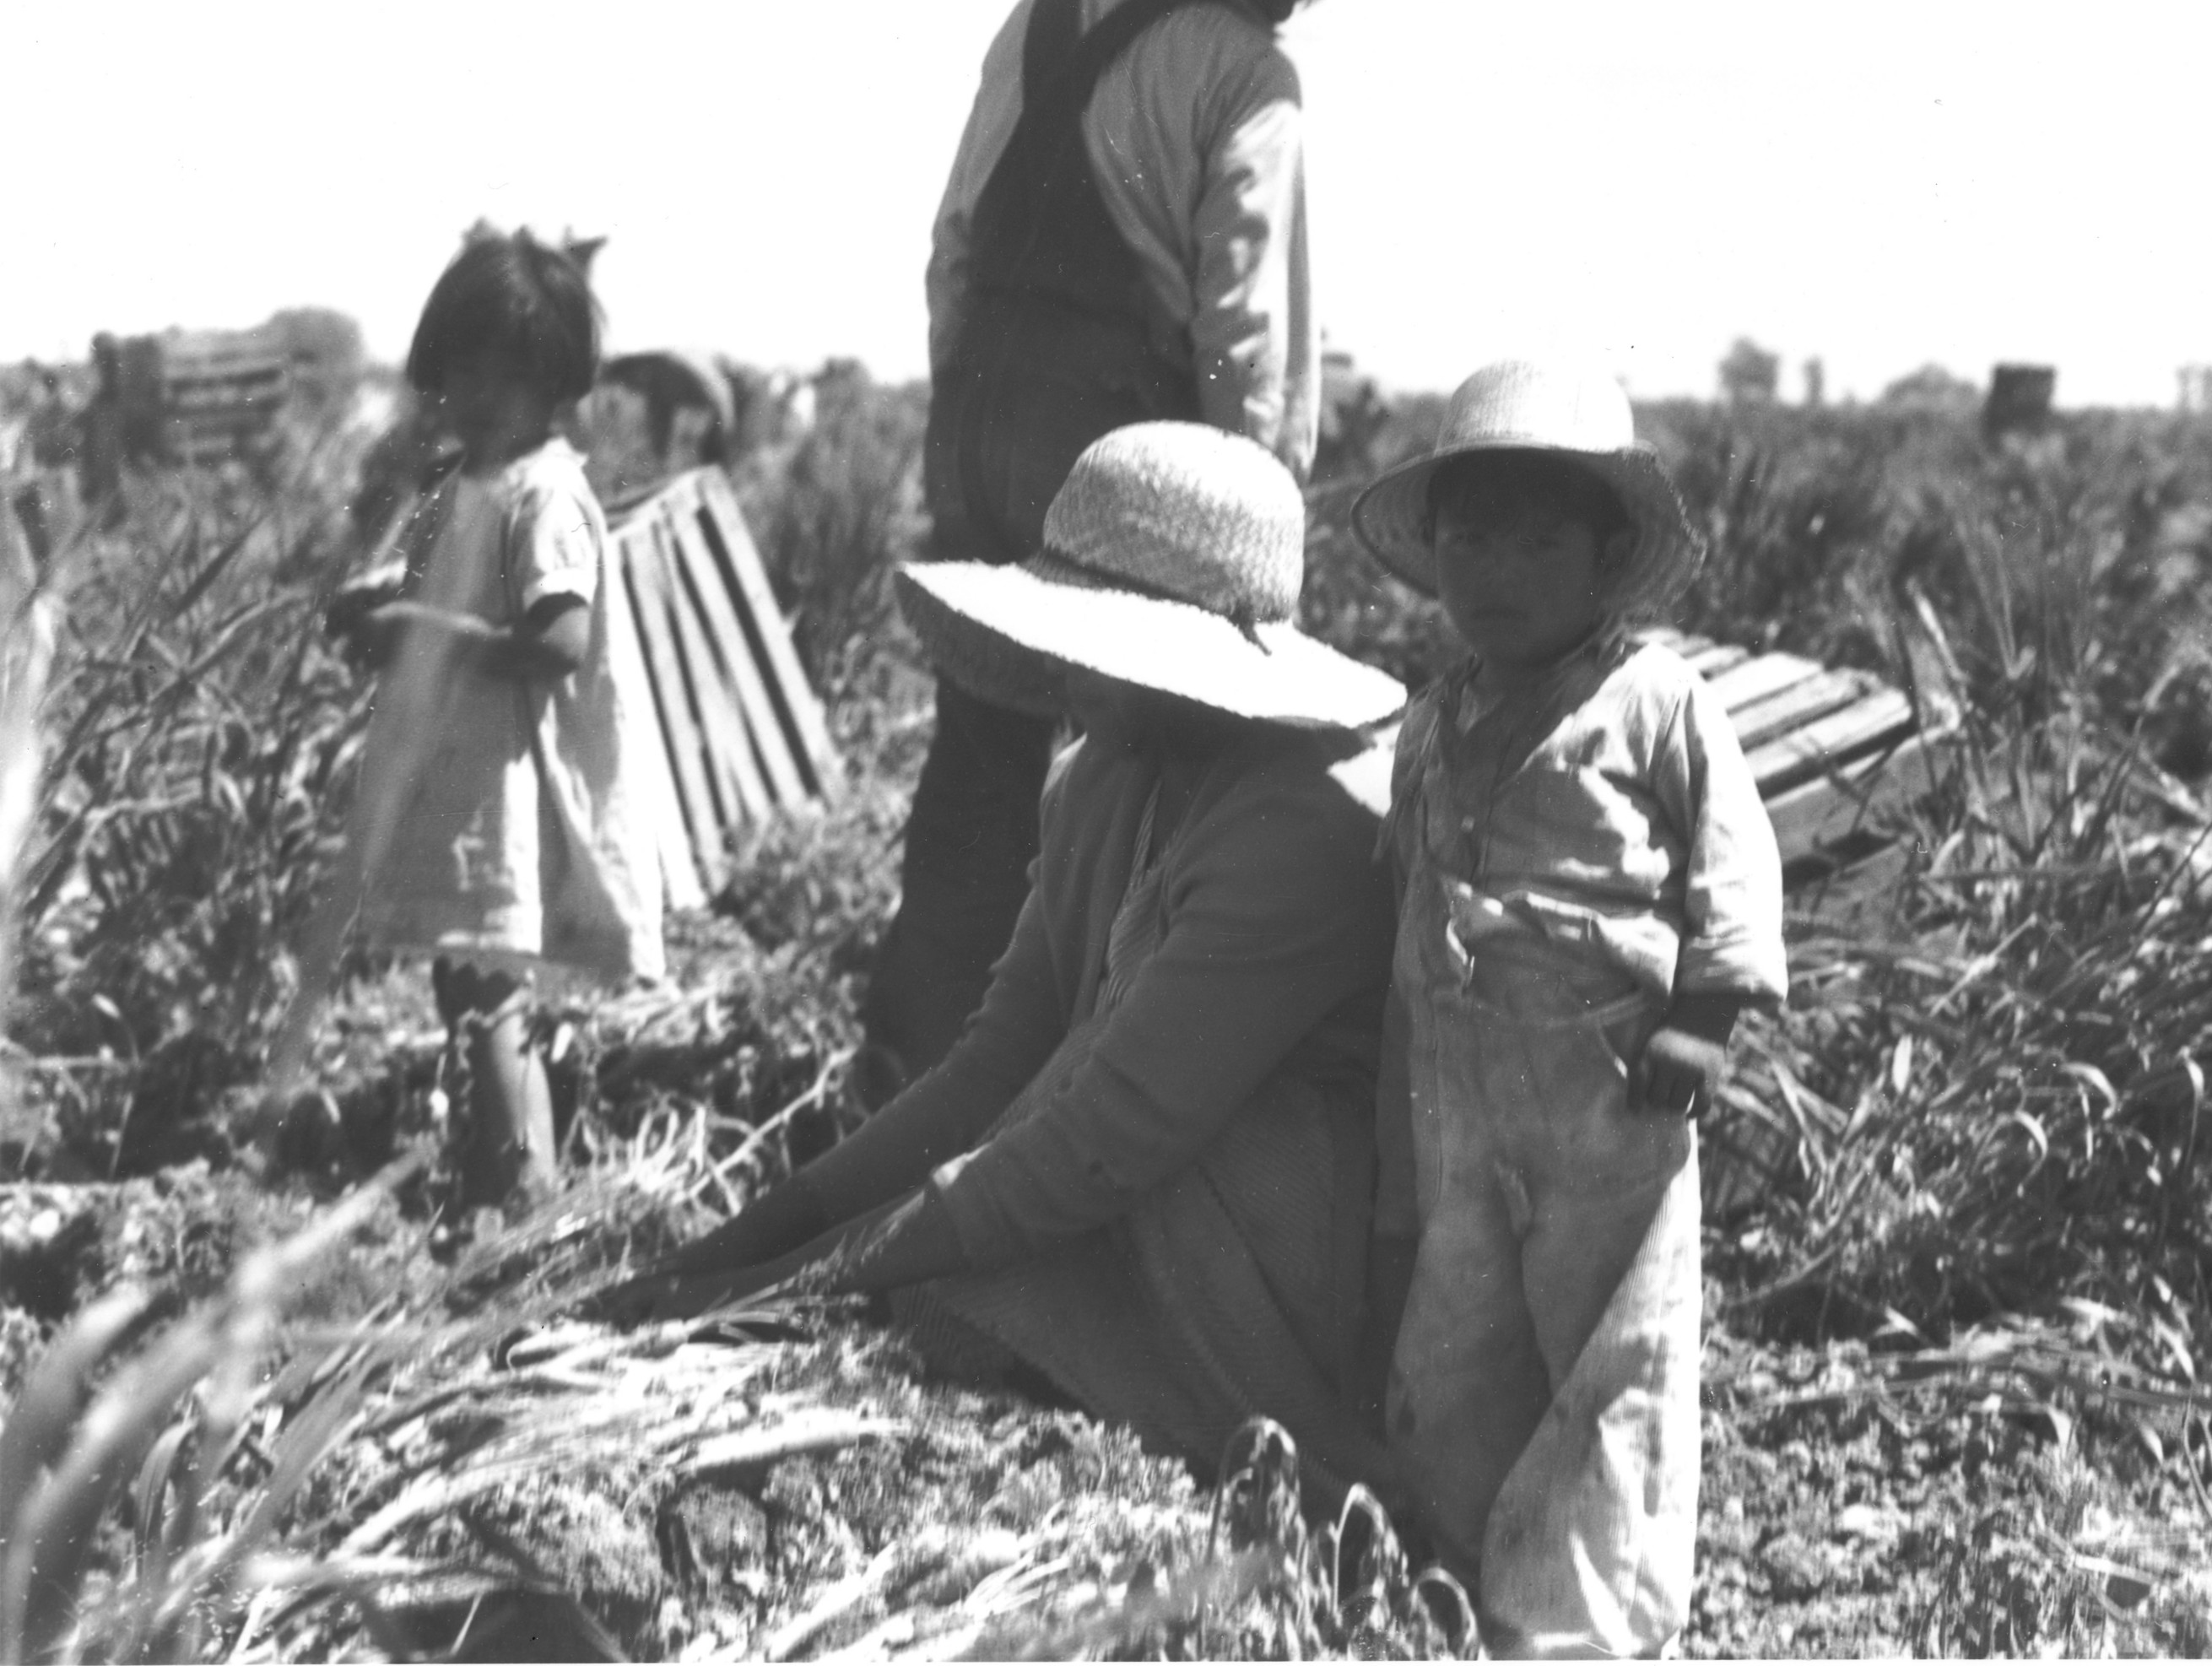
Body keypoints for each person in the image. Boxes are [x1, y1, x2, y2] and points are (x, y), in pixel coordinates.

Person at [594, 423, 1407, 1500]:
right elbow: (995, 1064)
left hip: (1265, 1243)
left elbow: (1105, 1133)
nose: (1060, 668)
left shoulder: (1307, 823)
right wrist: (749, 1238)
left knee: (992, 1248)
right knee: (961, 1243)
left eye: (1093, 642)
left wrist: (785, 1283)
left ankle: (1248, 1447)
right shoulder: (1099, 779)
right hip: (1119, 1177)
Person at [864, 0, 1442, 1079]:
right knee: (1133, 777)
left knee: (979, 754)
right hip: (1123, 455)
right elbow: (1250, 338)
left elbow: (955, 241)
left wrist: (968, 421)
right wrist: (1250, 546)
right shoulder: (1250, 70)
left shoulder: (1044, 13)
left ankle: (914, 1061)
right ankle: (1078, 1076)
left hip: (984, 422)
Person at [1349, 359, 1787, 1657]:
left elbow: (1732, 860)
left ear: (1605, 558)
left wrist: (1703, 1011)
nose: (1496, 566)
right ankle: (1461, 1554)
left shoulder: (1656, 701)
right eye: (1470, 535)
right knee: (1461, 1320)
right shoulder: (1436, 718)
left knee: (1614, 1350)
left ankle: (1579, 1619)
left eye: (1539, 537)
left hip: (1609, 1083)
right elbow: (1407, 877)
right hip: (1460, 1075)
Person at [327, 230, 667, 1210]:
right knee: (467, 994)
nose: (479, 393)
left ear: (554, 380)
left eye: (506, 374)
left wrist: (421, 626)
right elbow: (454, 596)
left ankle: (520, 1203)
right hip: (461, 783)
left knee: (489, 1002)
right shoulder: (465, 483)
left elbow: (557, 643)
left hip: (505, 793)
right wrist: (387, 610)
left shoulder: (546, 493)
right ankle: (495, 1188)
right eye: (463, 369)